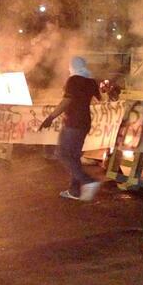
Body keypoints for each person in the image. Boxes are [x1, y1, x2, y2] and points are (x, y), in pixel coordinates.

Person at [39, 56, 102, 201]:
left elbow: (66, 101)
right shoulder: (91, 81)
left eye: (70, 66)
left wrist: (50, 118)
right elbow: (100, 99)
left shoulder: (74, 80)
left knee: (62, 153)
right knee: (74, 156)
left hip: (73, 123)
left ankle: (88, 180)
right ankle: (74, 191)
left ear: (73, 66)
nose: (68, 69)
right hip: (85, 123)